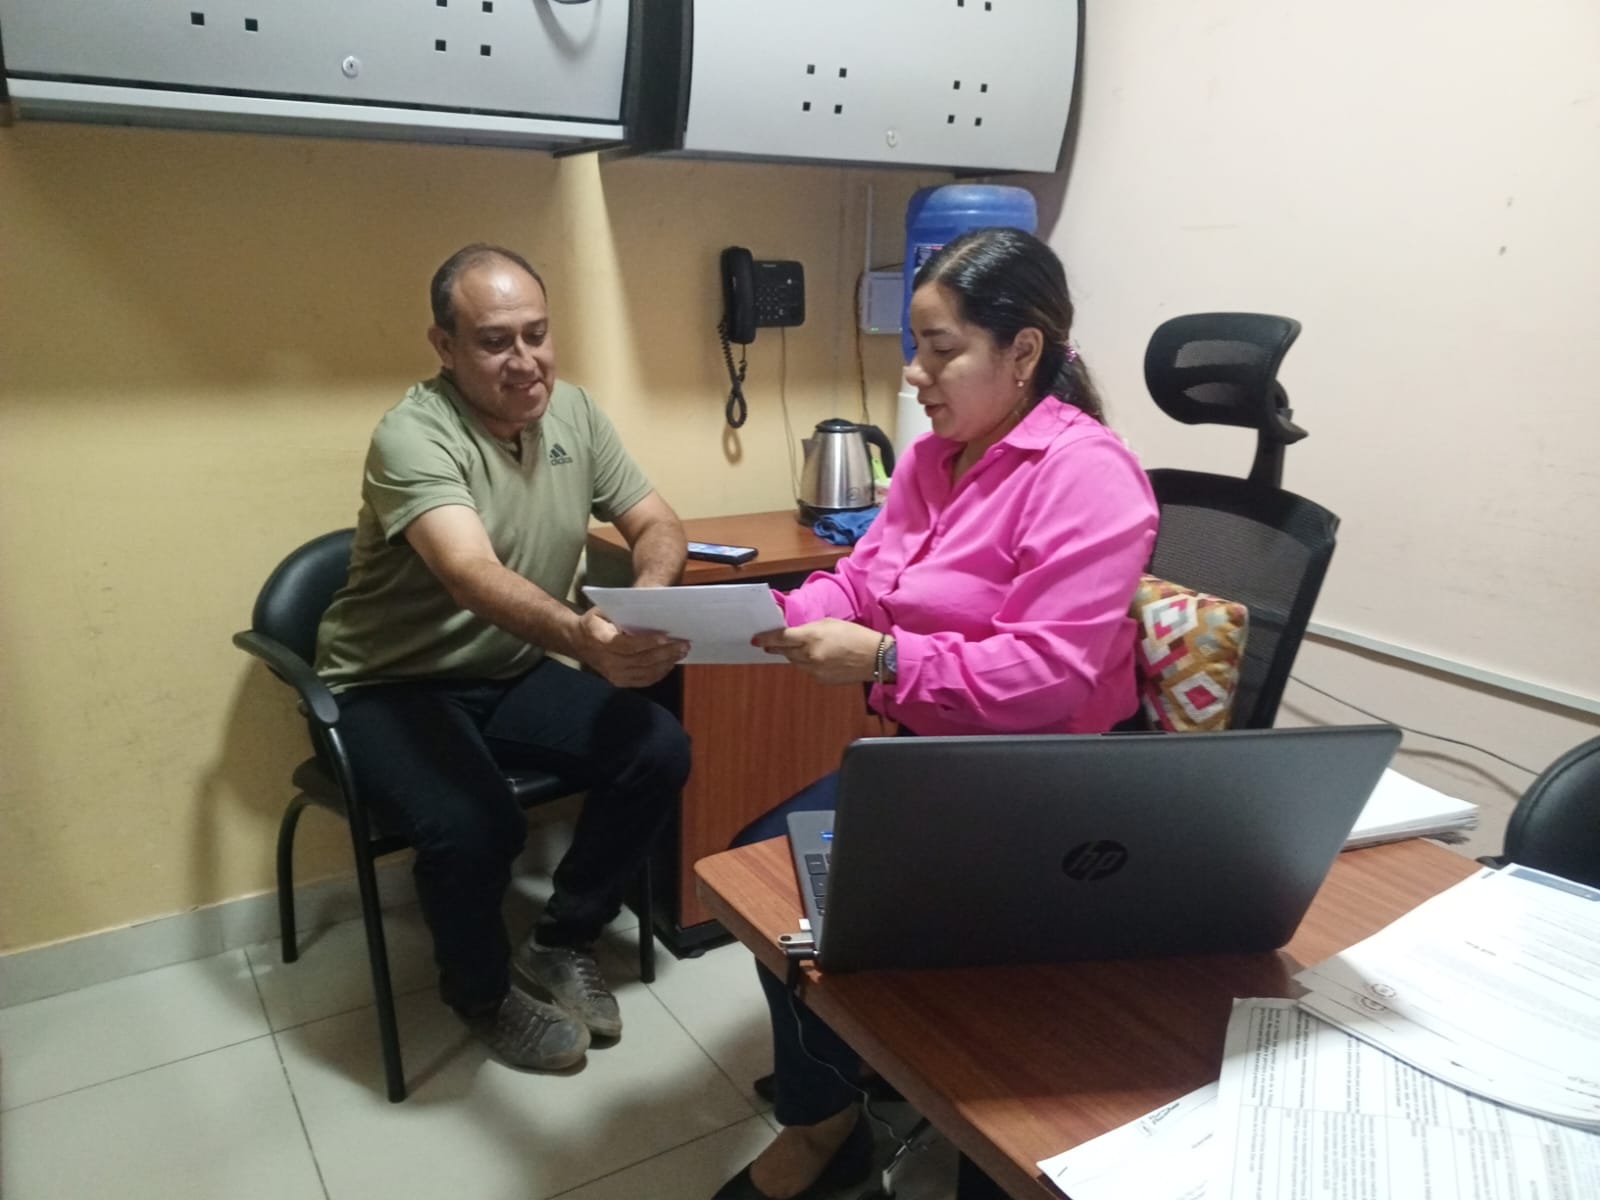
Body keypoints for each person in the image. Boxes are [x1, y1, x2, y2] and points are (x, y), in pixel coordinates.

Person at [713, 227, 1160, 1200]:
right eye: (914, 347)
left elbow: (1047, 676)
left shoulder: (1086, 473)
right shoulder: (930, 460)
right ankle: (829, 1111)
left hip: (1047, 786)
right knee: (763, 872)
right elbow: (862, 582)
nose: (915, 374)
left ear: (1023, 350)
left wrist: (882, 659)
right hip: (937, 761)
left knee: (851, 920)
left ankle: (884, 1099)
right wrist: (765, 619)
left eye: (940, 349)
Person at [314, 243, 692, 1073]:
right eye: (494, 341)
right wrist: (582, 637)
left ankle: (562, 938)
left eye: (537, 334)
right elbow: (469, 573)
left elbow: (657, 523)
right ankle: (480, 993)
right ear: (445, 347)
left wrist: (647, 600)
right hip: (389, 686)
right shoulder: (412, 435)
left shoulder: (576, 413)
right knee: (474, 823)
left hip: (507, 669)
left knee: (657, 747)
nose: (525, 361)